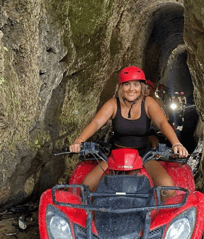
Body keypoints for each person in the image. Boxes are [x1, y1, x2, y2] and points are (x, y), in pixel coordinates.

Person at [69, 66, 188, 201]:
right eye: (127, 84)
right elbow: (96, 123)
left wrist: (176, 143)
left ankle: (160, 220)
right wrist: (79, 140)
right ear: (120, 87)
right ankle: (92, 218)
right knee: (86, 186)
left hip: (144, 154)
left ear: (141, 87)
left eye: (136, 84)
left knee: (167, 188)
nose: (131, 89)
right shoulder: (113, 104)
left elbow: (162, 123)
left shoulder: (148, 102)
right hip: (115, 153)